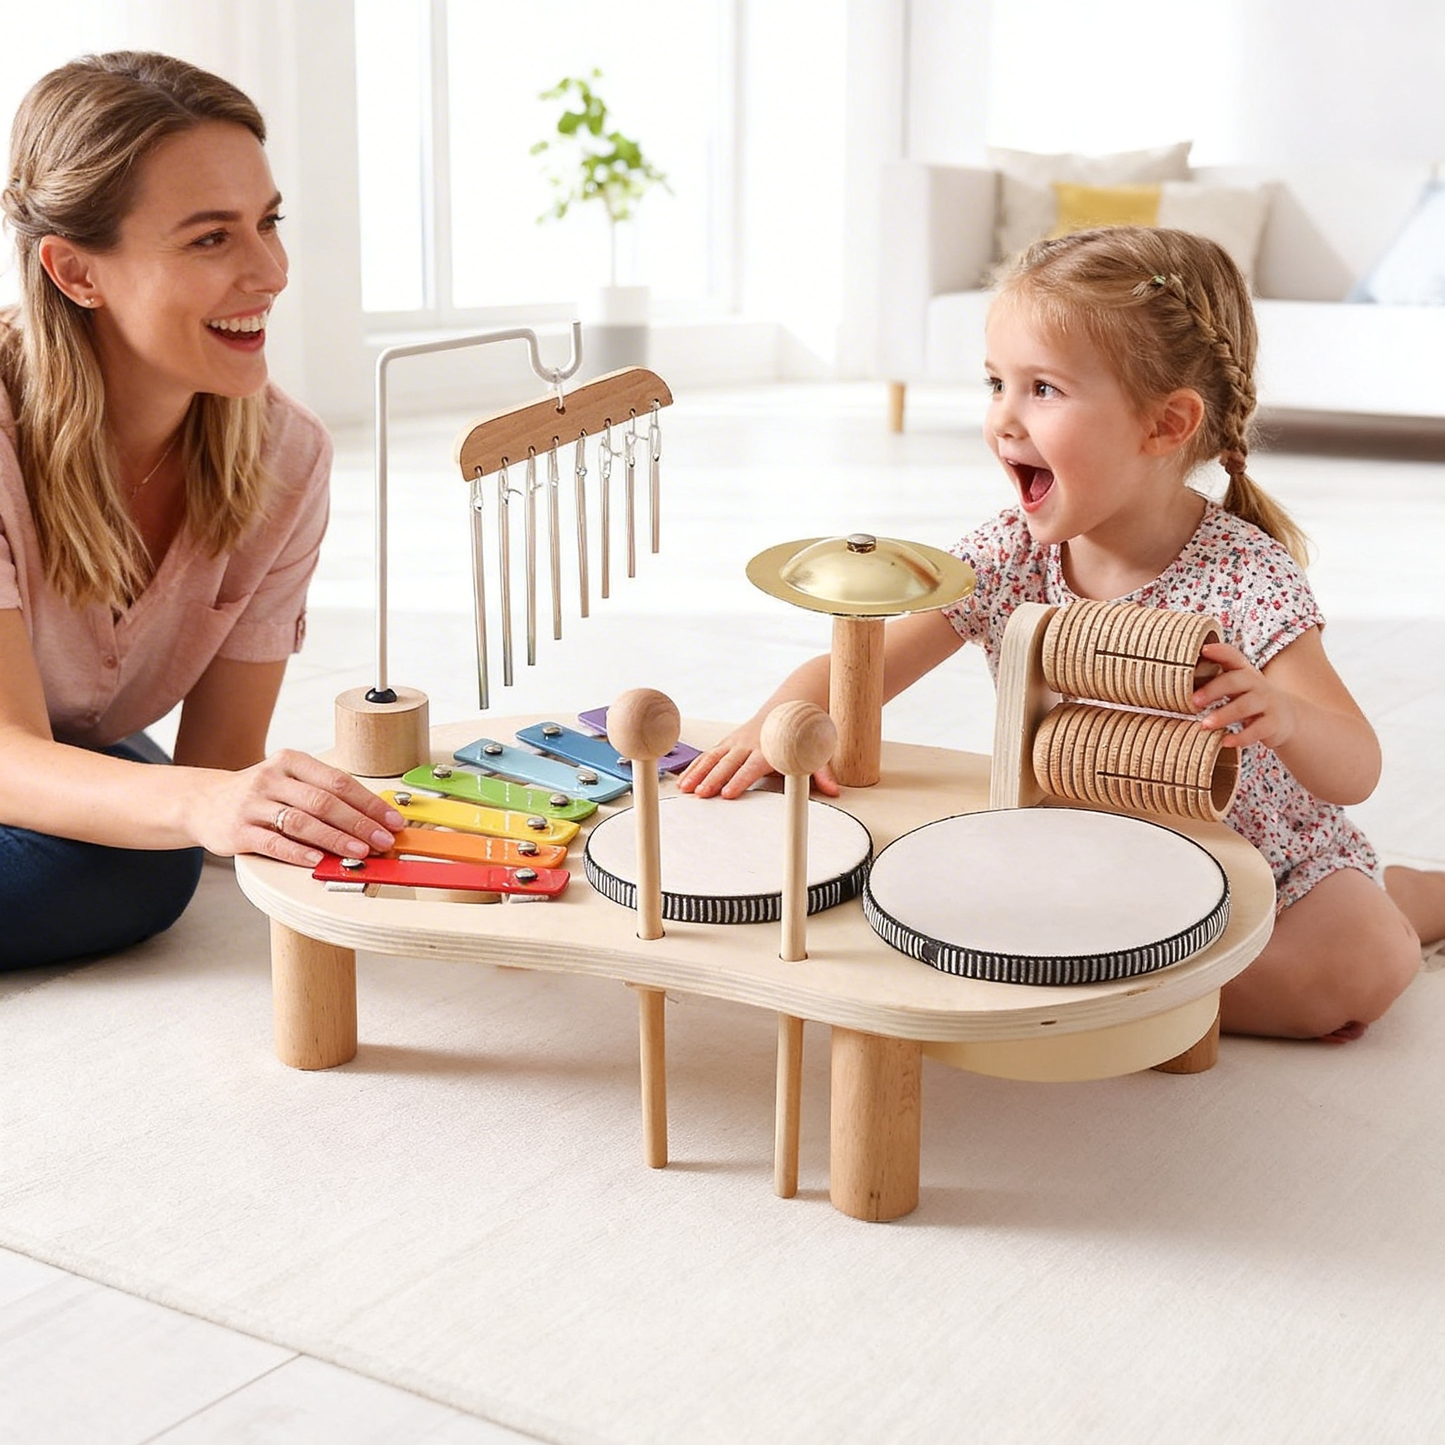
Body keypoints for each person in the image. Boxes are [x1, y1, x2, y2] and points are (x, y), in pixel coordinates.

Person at [680, 225, 1445, 1042]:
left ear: (1165, 424)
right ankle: (1134, 992)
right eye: (994, 382)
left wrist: (1284, 717)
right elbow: (863, 666)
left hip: (1264, 865)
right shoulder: (1009, 554)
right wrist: (780, 722)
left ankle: (1406, 899)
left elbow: (1354, 766)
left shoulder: (1245, 574)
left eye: (1042, 388)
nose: (1002, 418)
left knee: (1347, 966)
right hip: (1089, 857)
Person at [0, 51, 403, 970]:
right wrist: (192, 806)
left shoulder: (285, 459)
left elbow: (220, 762)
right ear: (76, 272)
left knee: (154, 843)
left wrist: (299, 812)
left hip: (52, 741)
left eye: (268, 223)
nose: (270, 271)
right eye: (211, 238)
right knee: (132, 866)